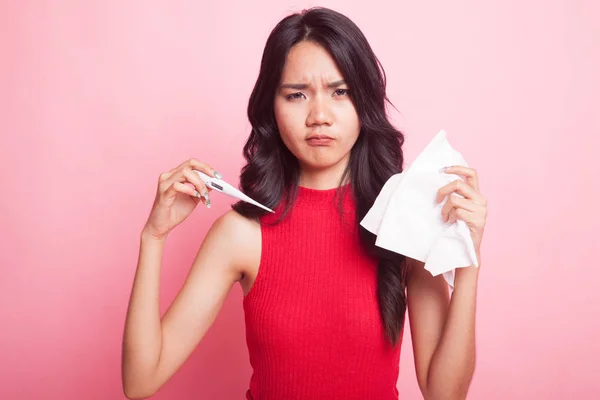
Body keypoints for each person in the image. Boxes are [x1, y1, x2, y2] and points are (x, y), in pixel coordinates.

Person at [121, 7, 488, 400]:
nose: (319, 116)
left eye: (340, 92)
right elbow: (140, 382)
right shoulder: (241, 234)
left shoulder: (403, 218)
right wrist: (153, 236)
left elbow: (445, 394)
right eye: (296, 94)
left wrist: (465, 259)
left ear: (363, 102)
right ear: (271, 108)